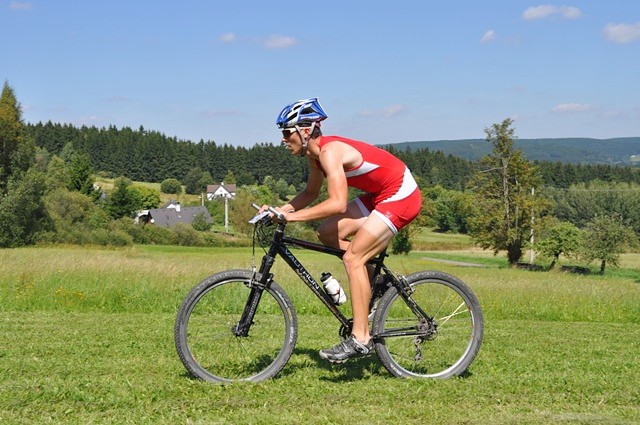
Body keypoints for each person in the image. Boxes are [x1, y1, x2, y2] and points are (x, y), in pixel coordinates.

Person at [268, 98, 422, 363]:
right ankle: (378, 282)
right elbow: (310, 193)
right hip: (379, 195)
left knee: (353, 258)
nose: (283, 139)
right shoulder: (315, 157)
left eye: (287, 132)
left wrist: (290, 218)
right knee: (327, 233)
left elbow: (337, 203)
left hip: (401, 195)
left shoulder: (329, 153)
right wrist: (278, 210)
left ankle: (360, 339)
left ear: (305, 131)